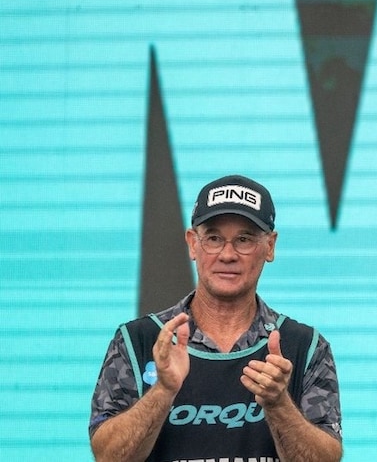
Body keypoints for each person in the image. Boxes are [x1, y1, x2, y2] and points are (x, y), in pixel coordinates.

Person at [89, 174, 343, 462]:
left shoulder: (306, 347)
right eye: (213, 238)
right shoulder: (138, 341)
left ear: (270, 246)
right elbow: (108, 457)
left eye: (244, 239)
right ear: (192, 244)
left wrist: (278, 404)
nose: (227, 254)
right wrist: (163, 391)